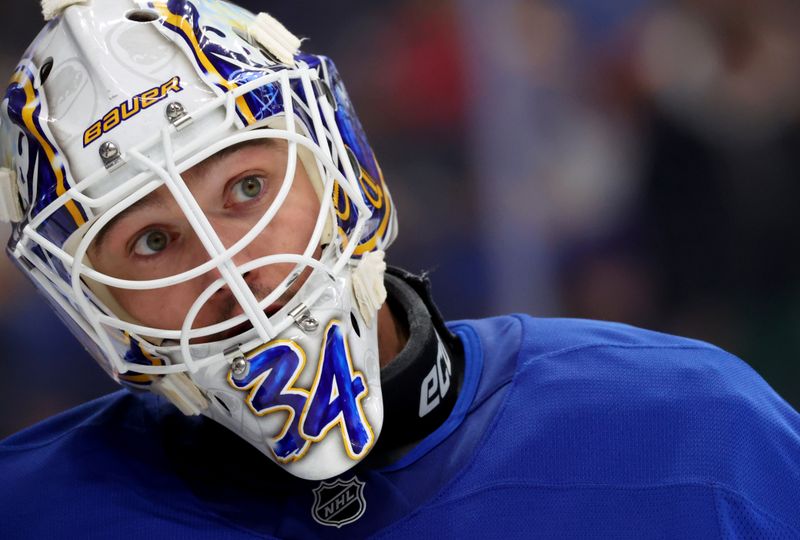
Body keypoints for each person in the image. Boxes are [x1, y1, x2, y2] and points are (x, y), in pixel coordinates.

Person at [0, 1, 798, 538]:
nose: (224, 260)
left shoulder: (694, 430)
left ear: (344, 170)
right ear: (88, 297)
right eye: (151, 241)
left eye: (246, 187)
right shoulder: (28, 510)